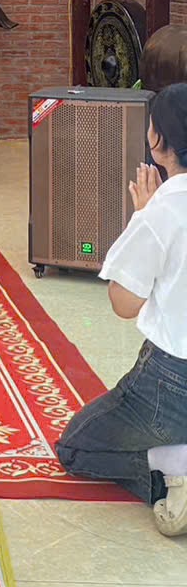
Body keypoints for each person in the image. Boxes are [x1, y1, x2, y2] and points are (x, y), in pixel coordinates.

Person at [57, 83, 187, 536]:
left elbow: (124, 304)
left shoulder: (164, 211)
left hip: (173, 377)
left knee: (76, 446)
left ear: (158, 140)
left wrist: (144, 216)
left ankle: (177, 465)